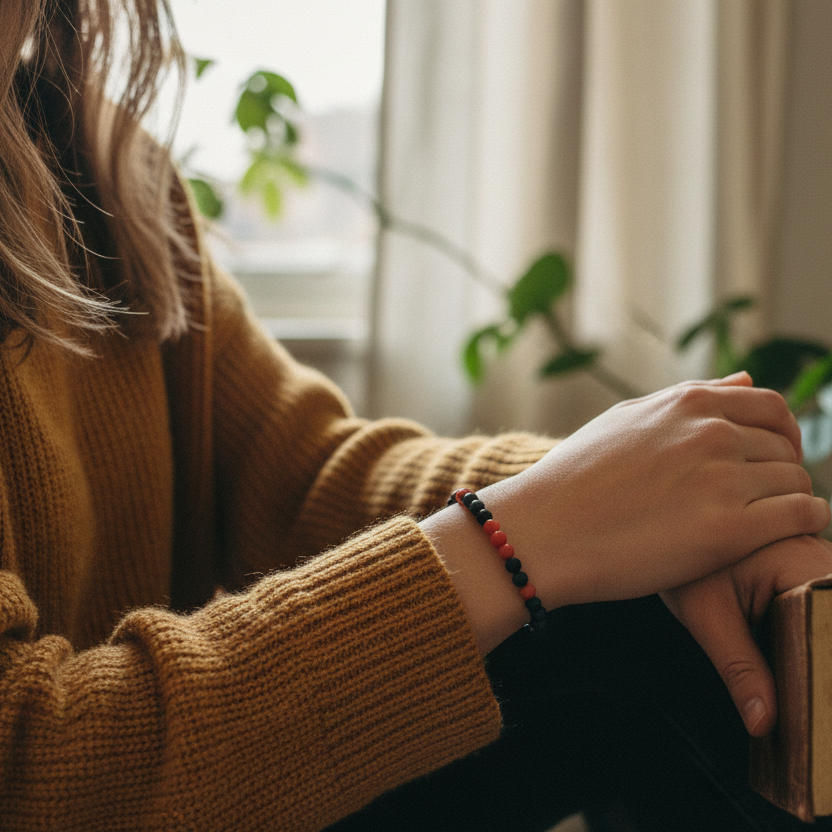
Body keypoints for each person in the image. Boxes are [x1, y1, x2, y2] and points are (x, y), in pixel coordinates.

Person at [0, 2, 830, 830]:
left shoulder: (85, 154)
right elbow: (28, 773)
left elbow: (302, 476)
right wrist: (520, 536)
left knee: (673, 613)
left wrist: (628, 505)